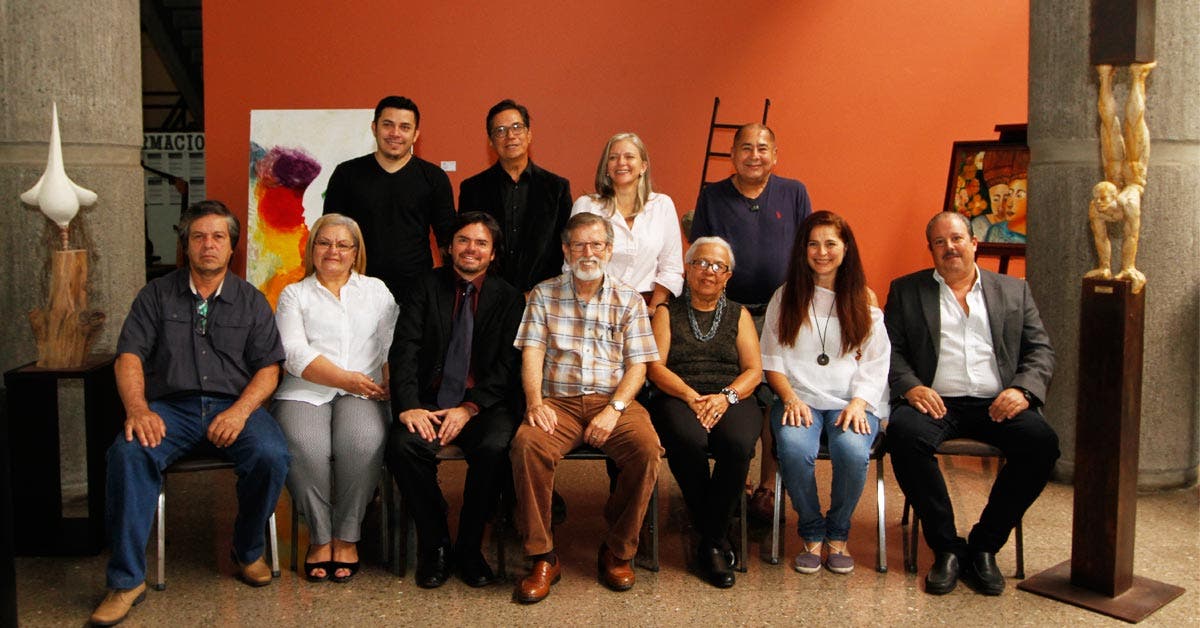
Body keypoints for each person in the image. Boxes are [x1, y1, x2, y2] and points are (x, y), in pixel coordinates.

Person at [91, 201, 290, 626]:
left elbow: (269, 369)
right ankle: (126, 580)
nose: (208, 245)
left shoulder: (251, 301)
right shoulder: (155, 295)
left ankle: (248, 549)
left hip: (233, 407)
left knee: (272, 454)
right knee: (128, 453)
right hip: (170, 409)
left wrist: (239, 413)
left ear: (232, 246)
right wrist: (138, 409)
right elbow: (128, 356)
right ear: (186, 245)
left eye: (218, 237)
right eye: (199, 237)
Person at [885, 211, 1058, 596]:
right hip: (936, 402)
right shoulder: (907, 291)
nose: (950, 247)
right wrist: (911, 387)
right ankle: (946, 546)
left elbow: (1040, 351)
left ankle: (984, 546)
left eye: (957, 238)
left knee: (1041, 444)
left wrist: (1023, 391)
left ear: (974, 242)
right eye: (940, 242)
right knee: (903, 435)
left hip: (998, 403)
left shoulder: (1014, 291)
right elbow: (889, 351)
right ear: (930, 249)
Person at [509, 212, 662, 603]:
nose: (588, 252)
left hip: (613, 400)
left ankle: (618, 549)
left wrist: (614, 408)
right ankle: (542, 555)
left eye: (596, 244)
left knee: (646, 450)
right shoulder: (543, 294)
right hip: (557, 402)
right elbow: (533, 353)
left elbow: (639, 365)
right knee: (527, 446)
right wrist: (534, 402)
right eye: (579, 244)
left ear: (609, 250)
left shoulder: (628, 298)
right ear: (565, 250)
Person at [386, 212, 524, 589]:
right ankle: (436, 544)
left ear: (493, 253)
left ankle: (469, 546)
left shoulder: (510, 298)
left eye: (481, 243)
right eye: (463, 240)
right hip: (428, 401)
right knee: (403, 446)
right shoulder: (424, 287)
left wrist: (469, 408)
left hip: (482, 405)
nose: (471, 249)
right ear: (448, 247)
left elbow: (507, 366)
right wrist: (409, 405)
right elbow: (405, 350)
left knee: (496, 448)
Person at [690, 122, 814, 521]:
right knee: (738, 391)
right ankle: (738, 479)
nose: (754, 155)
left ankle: (767, 486)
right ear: (733, 155)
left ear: (775, 155)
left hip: (782, 313)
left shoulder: (794, 193)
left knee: (773, 398)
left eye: (763, 148)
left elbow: (808, 251)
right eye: (746, 148)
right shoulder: (713, 196)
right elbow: (703, 255)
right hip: (730, 313)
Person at [760, 211, 890, 575]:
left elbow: (878, 360)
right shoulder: (785, 297)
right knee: (794, 448)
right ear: (802, 250)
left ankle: (838, 532)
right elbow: (771, 360)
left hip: (852, 400)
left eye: (830, 243)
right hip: (797, 397)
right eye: (813, 244)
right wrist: (789, 398)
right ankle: (812, 529)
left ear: (845, 248)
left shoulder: (863, 298)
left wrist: (860, 402)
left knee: (851, 451)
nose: (821, 252)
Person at [272, 213, 398, 584]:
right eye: (324, 243)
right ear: (312, 249)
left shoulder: (376, 290)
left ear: (356, 252)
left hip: (368, 391)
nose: (333, 251)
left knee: (362, 442)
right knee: (305, 445)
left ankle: (346, 535)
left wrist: (389, 382)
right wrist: (346, 379)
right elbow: (293, 352)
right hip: (304, 390)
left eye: (343, 244)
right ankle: (320, 534)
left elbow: (393, 343)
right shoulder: (294, 294)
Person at [646, 236, 762, 588]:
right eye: (701, 263)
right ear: (688, 268)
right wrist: (691, 395)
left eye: (718, 266)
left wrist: (725, 397)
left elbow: (754, 370)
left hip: (730, 395)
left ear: (727, 276)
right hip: (679, 394)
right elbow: (655, 366)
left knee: (739, 443)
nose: (708, 271)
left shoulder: (739, 314)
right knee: (686, 438)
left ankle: (709, 536)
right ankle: (717, 538)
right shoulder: (667, 312)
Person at [323, 95, 456, 299]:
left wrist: (448, 293)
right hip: (356, 290)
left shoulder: (434, 177)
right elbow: (329, 235)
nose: (395, 133)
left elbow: (447, 241)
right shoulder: (346, 174)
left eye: (405, 127)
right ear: (374, 128)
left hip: (416, 294)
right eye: (388, 125)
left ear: (415, 134)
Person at [458, 99, 573, 294]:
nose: (510, 136)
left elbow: (565, 246)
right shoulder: (472, 189)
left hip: (542, 297)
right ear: (491, 141)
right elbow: (468, 247)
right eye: (500, 130)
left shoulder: (557, 188)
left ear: (529, 135)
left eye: (517, 127)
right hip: (488, 296)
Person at [570, 132, 683, 309]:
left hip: (648, 305)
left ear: (643, 166)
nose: (621, 162)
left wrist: (654, 310)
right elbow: (573, 263)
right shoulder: (586, 205)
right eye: (613, 157)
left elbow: (671, 268)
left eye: (629, 156)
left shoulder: (662, 205)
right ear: (606, 167)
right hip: (594, 304)